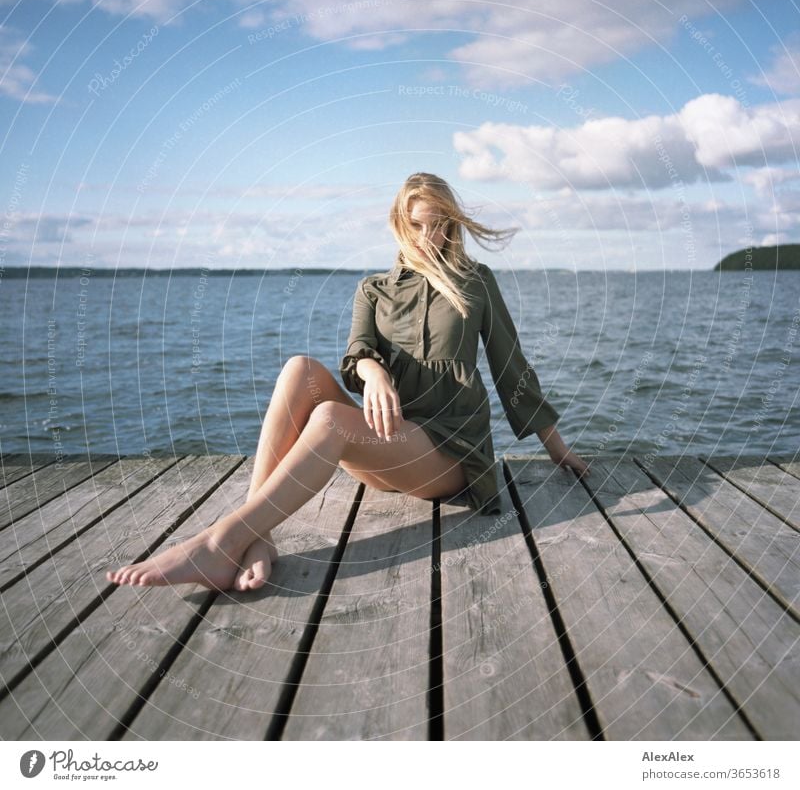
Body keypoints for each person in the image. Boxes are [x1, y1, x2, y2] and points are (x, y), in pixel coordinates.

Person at [106, 173, 589, 592]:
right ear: (400, 223)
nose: (429, 235)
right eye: (417, 224)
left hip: (449, 454)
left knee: (332, 419)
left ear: (452, 224)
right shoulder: (373, 289)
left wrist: (556, 447)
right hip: (388, 447)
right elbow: (355, 351)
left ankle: (220, 541)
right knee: (300, 370)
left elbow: (511, 366)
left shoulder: (474, 281)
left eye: (439, 223)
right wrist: (373, 369)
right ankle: (260, 536)